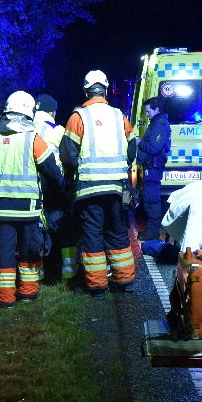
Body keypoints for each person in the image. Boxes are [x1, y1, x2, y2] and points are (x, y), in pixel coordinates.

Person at [0, 91, 64, 307]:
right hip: (28, 209)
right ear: (28, 112)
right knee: (29, 251)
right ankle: (28, 293)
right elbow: (50, 169)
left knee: (3, 253)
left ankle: (5, 299)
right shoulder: (33, 138)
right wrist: (60, 187)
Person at [59, 70, 136, 298]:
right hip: (115, 187)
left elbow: (67, 155)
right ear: (105, 89)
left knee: (92, 234)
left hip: (88, 189)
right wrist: (121, 166)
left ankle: (98, 287)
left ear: (86, 90)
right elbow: (132, 148)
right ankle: (124, 282)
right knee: (117, 231)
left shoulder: (78, 117)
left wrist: (77, 174)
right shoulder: (119, 116)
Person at [32, 94, 66, 284]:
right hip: (51, 186)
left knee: (34, 230)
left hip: (28, 188)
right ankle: (54, 274)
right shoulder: (56, 130)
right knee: (55, 228)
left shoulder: (27, 128)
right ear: (52, 111)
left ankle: (36, 273)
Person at [136, 96, 172, 241]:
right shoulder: (156, 123)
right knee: (149, 198)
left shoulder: (160, 125)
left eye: (148, 111)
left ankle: (153, 231)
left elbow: (153, 147)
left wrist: (139, 142)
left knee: (152, 199)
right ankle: (152, 230)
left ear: (157, 109)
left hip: (153, 167)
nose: (147, 114)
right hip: (150, 166)